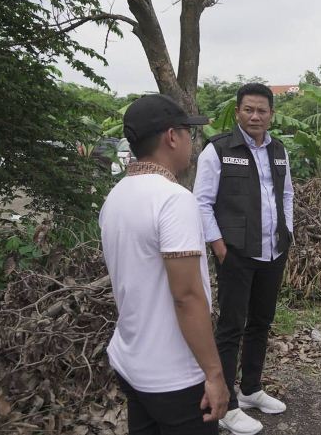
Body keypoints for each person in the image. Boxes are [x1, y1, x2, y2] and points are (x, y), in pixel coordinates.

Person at [99, 94, 228, 434]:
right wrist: (214, 374)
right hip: (174, 375)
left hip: (131, 362)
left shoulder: (117, 196)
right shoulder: (174, 200)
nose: (192, 142)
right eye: (189, 133)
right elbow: (186, 296)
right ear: (173, 137)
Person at [194, 83, 293, 435]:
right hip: (235, 253)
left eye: (262, 110)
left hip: (273, 251)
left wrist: (288, 234)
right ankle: (227, 405)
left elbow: (286, 195)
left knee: (261, 323)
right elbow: (202, 201)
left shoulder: (279, 150)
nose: (255, 116)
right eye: (248, 109)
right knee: (231, 327)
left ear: (271, 115)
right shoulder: (218, 149)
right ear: (237, 112)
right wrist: (218, 246)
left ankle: (250, 389)